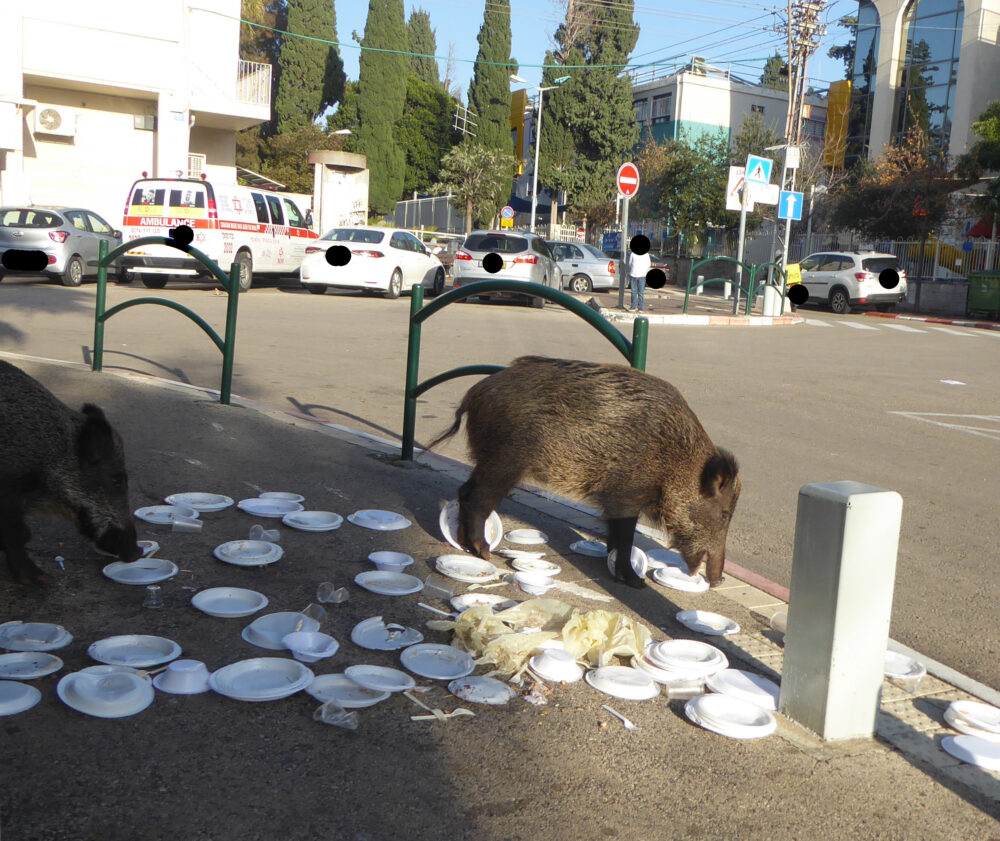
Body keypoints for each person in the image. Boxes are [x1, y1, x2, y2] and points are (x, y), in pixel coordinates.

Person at [627, 248, 651, 312]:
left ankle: (640, 307)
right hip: (633, 275)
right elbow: (630, 263)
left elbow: (648, 265)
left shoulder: (646, 255)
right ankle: (633, 306)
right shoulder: (633, 254)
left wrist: (644, 271)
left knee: (640, 292)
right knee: (633, 292)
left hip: (642, 275)